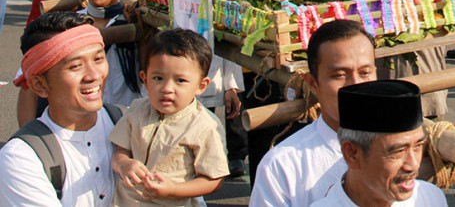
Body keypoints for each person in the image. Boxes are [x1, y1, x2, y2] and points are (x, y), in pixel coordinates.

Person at [251, 20, 377, 206]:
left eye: (365, 73)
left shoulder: (408, 148)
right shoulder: (282, 166)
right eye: (340, 75)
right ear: (312, 83)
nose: (355, 85)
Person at [0, 12, 120, 205]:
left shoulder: (131, 123)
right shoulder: (21, 159)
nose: (94, 75)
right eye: (75, 66)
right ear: (39, 85)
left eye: (98, 59)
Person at [109, 29, 228, 205]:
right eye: (158, 78)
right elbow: (120, 151)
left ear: (201, 86)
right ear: (145, 79)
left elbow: (213, 179)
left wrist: (173, 190)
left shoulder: (205, 125)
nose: (167, 88)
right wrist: (123, 164)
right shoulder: (137, 110)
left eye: (180, 80)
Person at [311, 80, 446, 207]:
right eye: (398, 151)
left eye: (418, 146)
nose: (414, 165)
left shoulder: (429, 198)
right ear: (352, 154)